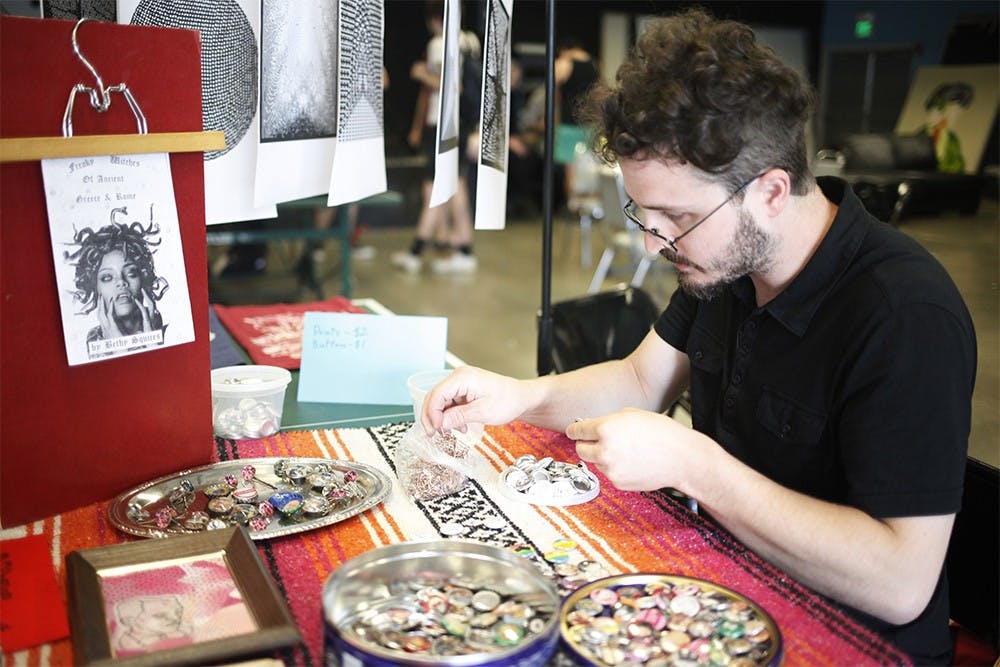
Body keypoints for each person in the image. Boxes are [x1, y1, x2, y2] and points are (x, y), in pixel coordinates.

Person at [419, 9, 975, 664]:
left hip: (844, 639)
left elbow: (900, 581)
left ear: (770, 192)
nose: (654, 245)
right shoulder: (727, 266)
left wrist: (696, 466)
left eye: (675, 217)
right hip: (724, 592)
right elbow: (636, 380)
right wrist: (517, 396)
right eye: (644, 215)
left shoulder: (904, 314)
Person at [392, 0, 478, 274]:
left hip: (441, 125)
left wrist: (422, 74)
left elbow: (453, 86)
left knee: (435, 187)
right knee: (456, 185)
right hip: (460, 125)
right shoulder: (471, 40)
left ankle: (417, 249)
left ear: (432, 19)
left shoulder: (438, 43)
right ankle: (462, 247)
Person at [67, 209, 167, 348]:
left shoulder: (172, 332)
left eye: (131, 273)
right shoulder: (89, 343)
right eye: (107, 277)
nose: (121, 282)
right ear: (95, 287)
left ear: (143, 277)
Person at [554, 36, 600, 210]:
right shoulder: (594, 64)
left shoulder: (564, 62)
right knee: (590, 168)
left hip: (569, 123)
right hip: (590, 123)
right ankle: (591, 207)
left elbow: (553, 93)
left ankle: (574, 206)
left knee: (571, 169)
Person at [918, 81, 974, 174]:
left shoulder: (952, 139)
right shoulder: (921, 136)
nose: (949, 117)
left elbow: (958, 165)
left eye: (956, 113)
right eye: (940, 111)